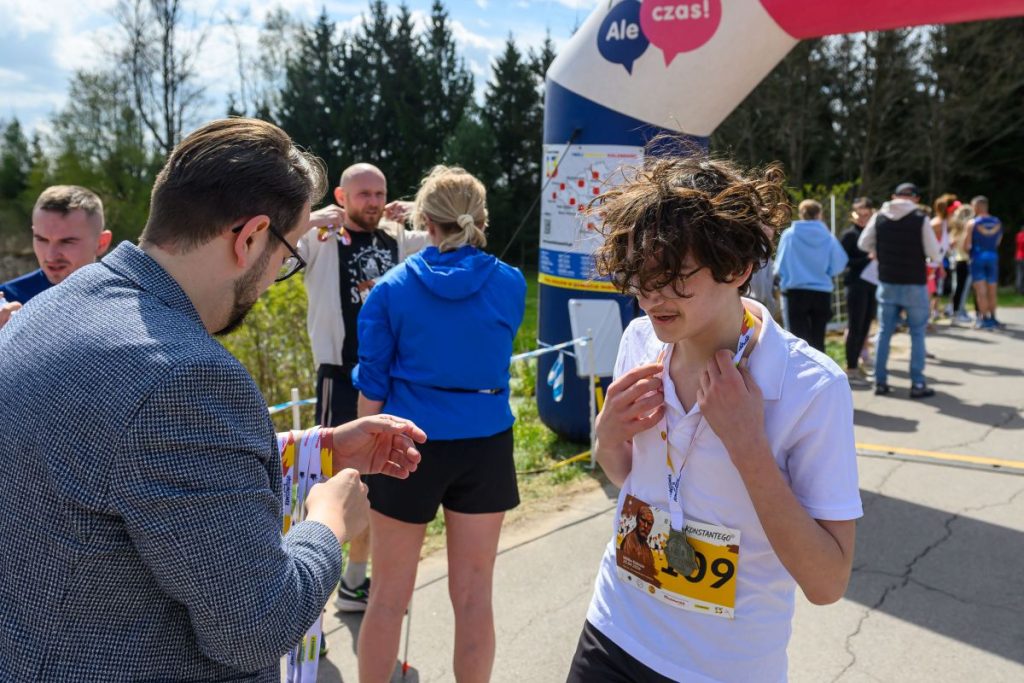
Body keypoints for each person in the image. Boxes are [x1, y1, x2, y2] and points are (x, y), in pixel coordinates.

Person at [0, 118, 426, 682]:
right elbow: (257, 626)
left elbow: (124, 467)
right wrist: (329, 520)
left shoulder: (56, 305)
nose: (277, 275)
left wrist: (315, 449)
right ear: (249, 237)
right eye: (287, 255)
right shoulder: (185, 376)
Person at [567, 155, 861, 683]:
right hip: (614, 630)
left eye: (673, 275)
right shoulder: (641, 341)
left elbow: (827, 582)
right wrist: (606, 437)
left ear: (738, 268)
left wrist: (748, 446)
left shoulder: (812, 386)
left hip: (724, 667)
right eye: (639, 274)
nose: (650, 295)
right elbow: (630, 478)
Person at [353, 165, 526, 683]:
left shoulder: (389, 289)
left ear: (423, 221)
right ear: (481, 220)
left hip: (405, 444)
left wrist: (364, 465)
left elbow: (372, 387)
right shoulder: (511, 282)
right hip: (486, 445)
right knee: (474, 596)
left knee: (387, 596)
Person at [299, 163, 429, 612]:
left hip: (386, 377)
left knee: (377, 481)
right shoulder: (321, 239)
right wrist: (311, 218)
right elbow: (275, 247)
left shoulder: (396, 238)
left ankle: (354, 583)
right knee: (328, 481)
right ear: (341, 196)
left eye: (379, 194)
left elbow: (457, 235)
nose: (373, 203)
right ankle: (309, 594)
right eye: (363, 194)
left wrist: (418, 210)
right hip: (339, 374)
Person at [858, 182, 940, 398]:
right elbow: (934, 252)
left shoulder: (880, 216)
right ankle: (917, 383)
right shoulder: (920, 218)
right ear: (916, 198)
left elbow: (863, 243)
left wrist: (878, 250)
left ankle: (880, 381)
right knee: (917, 333)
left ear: (894, 196)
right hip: (915, 283)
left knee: (884, 332)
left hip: (887, 282)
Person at [0, 185, 112, 328]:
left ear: (102, 243)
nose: (50, 256)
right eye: (42, 239)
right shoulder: (7, 300)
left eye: (67, 241)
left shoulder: (126, 302)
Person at [773, 199, 848, 352]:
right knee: (818, 341)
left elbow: (780, 265)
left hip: (795, 292)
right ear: (819, 214)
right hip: (822, 293)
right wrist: (826, 272)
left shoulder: (790, 235)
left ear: (801, 214)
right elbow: (840, 262)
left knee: (798, 342)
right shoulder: (827, 236)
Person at [839, 197, 877, 381]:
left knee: (866, 325)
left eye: (866, 215)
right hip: (855, 285)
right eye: (859, 215)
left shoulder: (874, 234)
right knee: (855, 326)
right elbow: (844, 262)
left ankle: (859, 362)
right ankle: (851, 366)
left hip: (873, 284)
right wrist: (867, 259)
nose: (862, 218)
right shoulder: (850, 235)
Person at [964, 195, 1004, 329]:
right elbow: (998, 242)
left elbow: (967, 245)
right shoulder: (997, 222)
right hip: (993, 256)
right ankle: (993, 317)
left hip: (978, 258)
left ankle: (983, 319)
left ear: (976, 207)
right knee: (992, 289)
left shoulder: (972, 223)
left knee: (981, 291)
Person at [928, 194, 955, 323]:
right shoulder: (937, 224)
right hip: (932, 263)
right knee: (930, 291)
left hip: (936, 262)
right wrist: (940, 266)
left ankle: (932, 314)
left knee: (935, 290)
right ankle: (927, 317)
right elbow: (933, 248)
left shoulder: (943, 224)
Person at [947, 202, 974, 325]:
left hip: (956, 261)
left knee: (957, 288)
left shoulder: (955, 229)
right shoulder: (966, 229)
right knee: (962, 289)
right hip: (964, 261)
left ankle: (957, 310)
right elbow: (965, 247)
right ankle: (958, 312)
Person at [1015, 225, 1024, 295]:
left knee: (1019, 274)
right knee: (1021, 274)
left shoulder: (1018, 235)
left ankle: (1018, 289)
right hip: (1022, 257)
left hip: (1018, 256)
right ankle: (1021, 290)